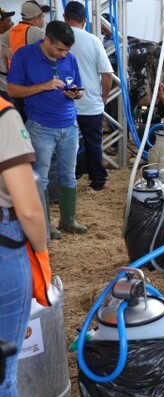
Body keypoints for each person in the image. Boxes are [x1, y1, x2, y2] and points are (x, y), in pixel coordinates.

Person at [0, 96, 49, 397]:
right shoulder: (2, 114)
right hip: (3, 246)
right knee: (3, 366)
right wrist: (41, 248)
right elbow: (29, 209)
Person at [7, 20, 87, 240]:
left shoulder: (71, 59)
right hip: (40, 127)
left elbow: (78, 87)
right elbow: (12, 89)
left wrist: (76, 94)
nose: (63, 54)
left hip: (69, 125)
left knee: (68, 175)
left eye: (67, 50)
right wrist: (44, 85)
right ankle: (44, 225)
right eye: (59, 49)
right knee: (40, 178)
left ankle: (68, 220)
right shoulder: (24, 55)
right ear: (47, 40)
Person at [64, 1, 113, 191]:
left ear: (64, 18)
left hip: (64, 103)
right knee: (93, 143)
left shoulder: (54, 39)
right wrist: (104, 97)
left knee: (66, 143)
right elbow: (107, 74)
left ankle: (69, 178)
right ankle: (97, 180)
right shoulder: (93, 40)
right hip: (90, 103)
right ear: (84, 20)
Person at [0, 7, 15, 100]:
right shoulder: (2, 42)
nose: (12, 23)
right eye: (9, 20)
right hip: (4, 85)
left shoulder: (4, 39)